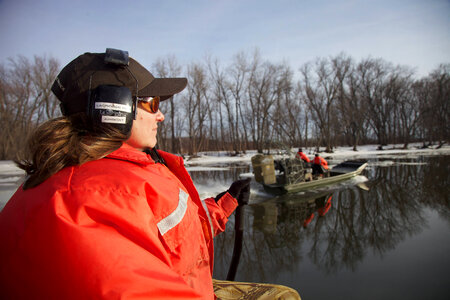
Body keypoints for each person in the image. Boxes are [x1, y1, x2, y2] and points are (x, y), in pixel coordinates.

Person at [0, 49, 252, 299]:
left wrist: (225, 202)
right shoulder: (84, 202)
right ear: (115, 106)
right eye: (152, 103)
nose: (161, 115)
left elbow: (172, 235)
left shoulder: (119, 178)